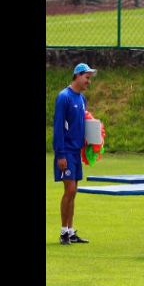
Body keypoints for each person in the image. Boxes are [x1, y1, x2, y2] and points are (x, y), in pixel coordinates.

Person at [53, 63, 97, 245]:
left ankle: (70, 231)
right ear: (77, 76)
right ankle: (64, 232)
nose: (88, 81)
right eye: (87, 77)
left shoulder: (82, 99)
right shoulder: (64, 97)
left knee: (73, 192)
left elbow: (82, 123)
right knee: (69, 190)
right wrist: (61, 154)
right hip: (66, 152)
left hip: (76, 151)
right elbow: (58, 127)